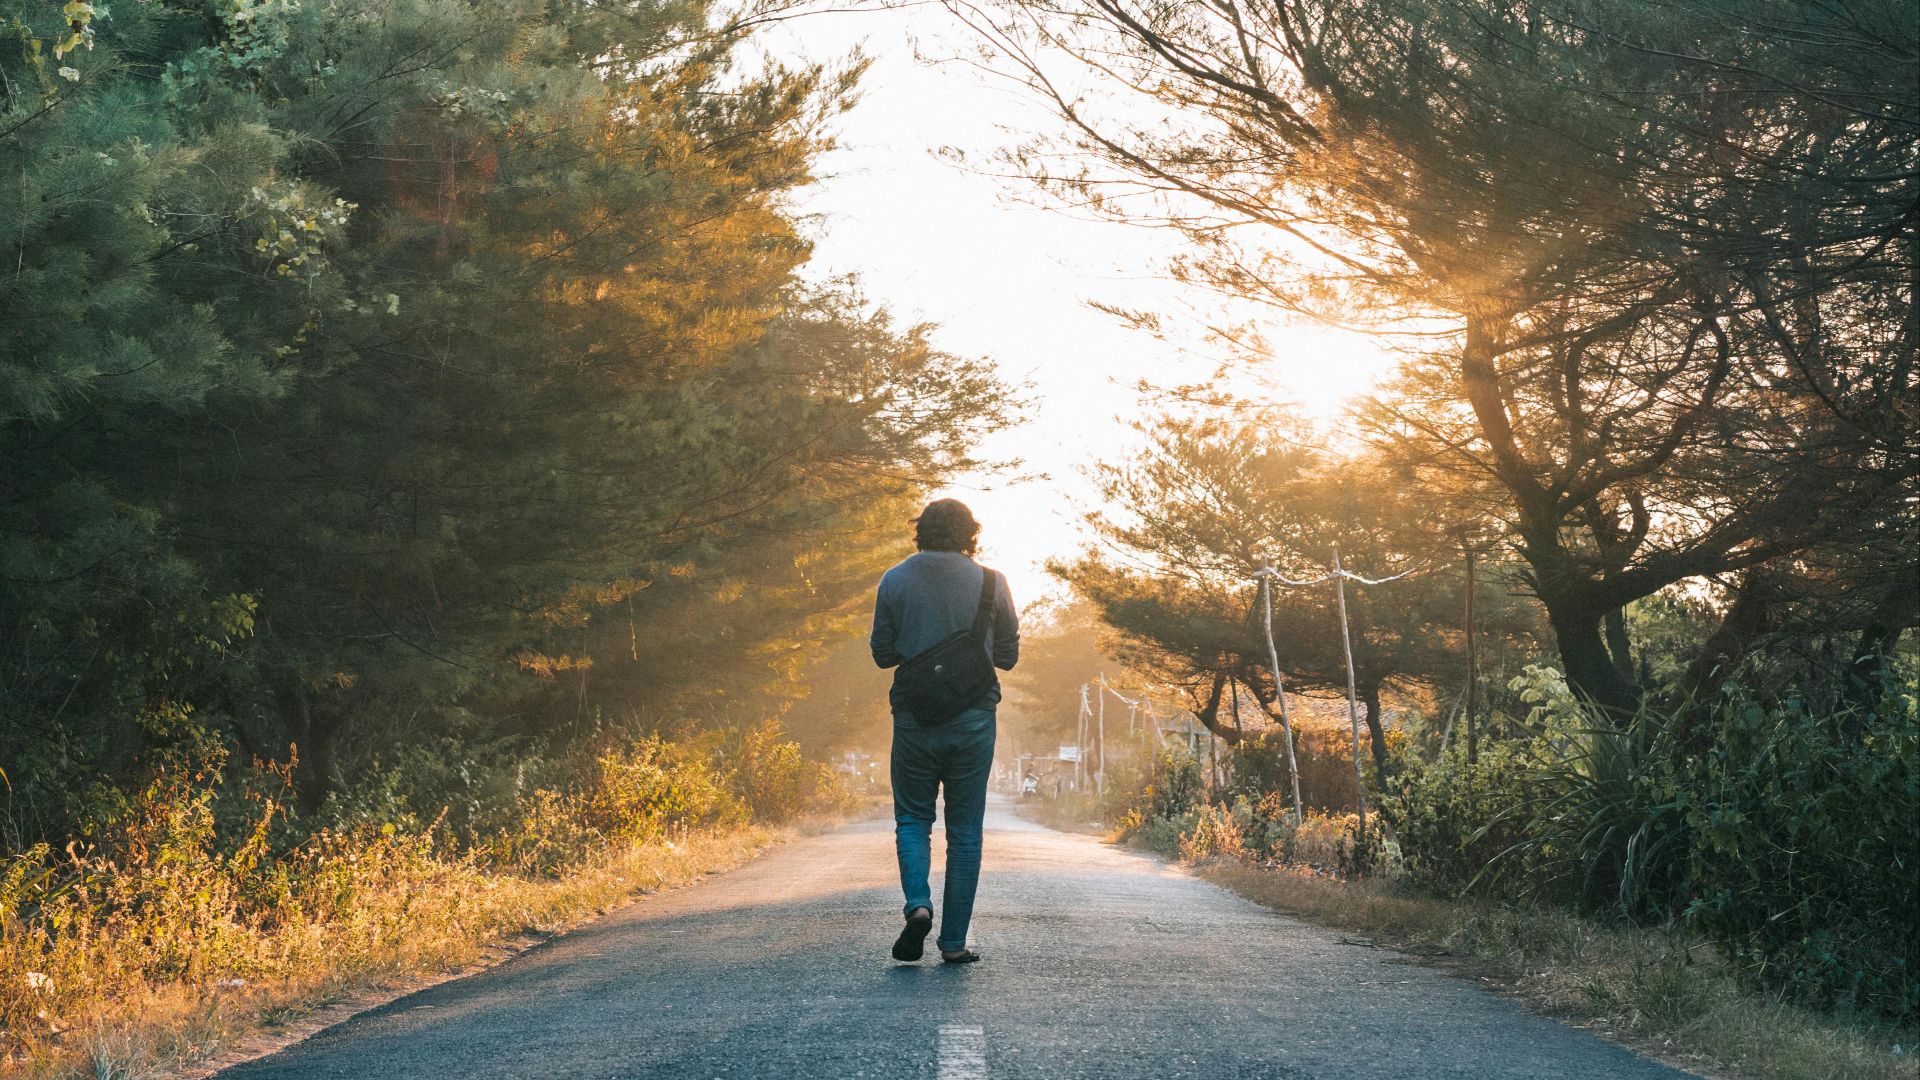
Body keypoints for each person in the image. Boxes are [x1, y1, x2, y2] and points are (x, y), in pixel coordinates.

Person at [869, 498, 1019, 964]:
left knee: (913, 819)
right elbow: (1008, 657)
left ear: (920, 531)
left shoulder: (894, 579)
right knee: (965, 830)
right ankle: (953, 943)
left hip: (914, 716)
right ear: (970, 534)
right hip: (974, 717)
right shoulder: (992, 582)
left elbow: (882, 654)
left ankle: (918, 904)